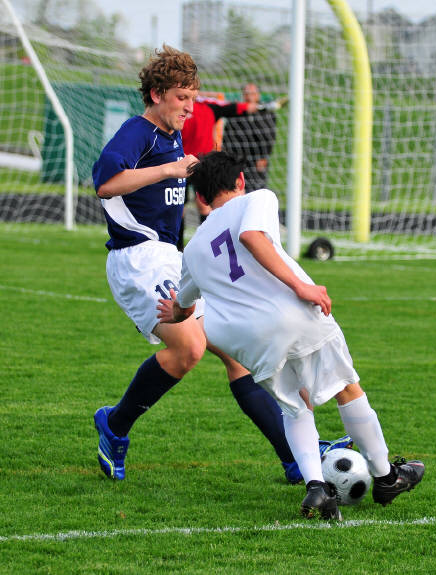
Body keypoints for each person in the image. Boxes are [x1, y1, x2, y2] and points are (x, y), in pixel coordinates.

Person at [91, 45, 349, 484]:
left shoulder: (171, 136)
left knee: (239, 354)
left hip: (169, 257)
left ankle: (295, 457)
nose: (189, 108)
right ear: (156, 94)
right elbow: (105, 183)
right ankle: (114, 425)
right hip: (138, 259)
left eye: (193, 98)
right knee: (189, 349)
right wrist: (169, 170)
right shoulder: (139, 132)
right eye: (181, 98)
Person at [157, 151, 425, 520]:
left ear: (200, 198)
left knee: (294, 405)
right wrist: (301, 286)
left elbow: (184, 307)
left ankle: (316, 486)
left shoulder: (194, 248)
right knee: (346, 387)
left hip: (243, 339)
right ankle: (386, 477)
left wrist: (172, 312)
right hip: (288, 314)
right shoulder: (258, 198)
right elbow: (251, 235)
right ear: (240, 181)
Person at [177, 94, 259, 251]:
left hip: (202, 165)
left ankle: (204, 247)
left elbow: (232, 107)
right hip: (183, 164)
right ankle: (181, 249)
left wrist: (251, 107)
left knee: (202, 207)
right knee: (182, 208)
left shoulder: (205, 106)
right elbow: (233, 107)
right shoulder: (184, 107)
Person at [222, 83, 277, 192]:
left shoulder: (266, 113)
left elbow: (270, 136)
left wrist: (264, 156)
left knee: (256, 188)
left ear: (258, 95)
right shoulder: (236, 113)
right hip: (237, 158)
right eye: (246, 93)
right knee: (236, 188)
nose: (249, 96)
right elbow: (228, 135)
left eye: (252, 93)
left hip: (256, 159)